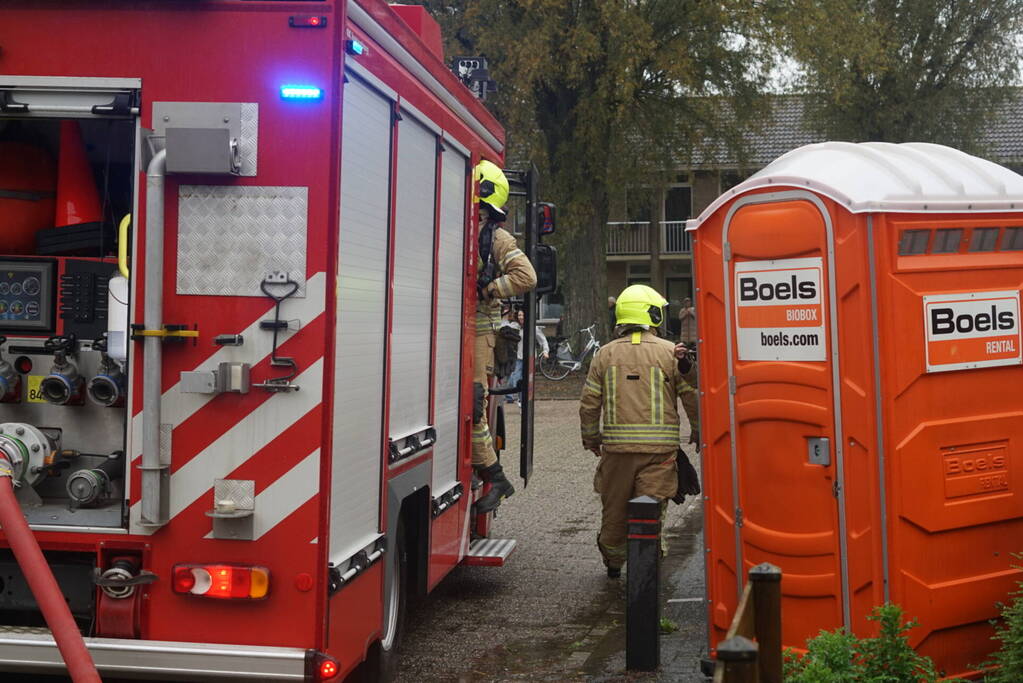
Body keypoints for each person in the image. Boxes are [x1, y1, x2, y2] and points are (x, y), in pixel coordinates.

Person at [579, 284, 699, 578]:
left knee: (615, 514)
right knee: (651, 511)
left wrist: (592, 438)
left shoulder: (604, 355)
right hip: (660, 454)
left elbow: (589, 403)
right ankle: (647, 567)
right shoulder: (671, 353)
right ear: (652, 314)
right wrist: (698, 430)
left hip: (617, 453)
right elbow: (691, 395)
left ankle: (613, 562)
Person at [472, 160, 537, 513]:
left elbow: (527, 277)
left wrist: (491, 289)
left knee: (472, 410)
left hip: (479, 335)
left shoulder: (496, 237)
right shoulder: (455, 227)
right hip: (452, 335)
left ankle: (495, 476)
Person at [501, 308, 549, 406]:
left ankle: (520, 399)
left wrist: (545, 351)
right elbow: (503, 328)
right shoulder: (515, 326)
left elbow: (543, 340)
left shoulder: (533, 328)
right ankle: (517, 397)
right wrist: (504, 316)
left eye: (523, 315)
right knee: (517, 378)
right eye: (519, 315)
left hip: (530, 358)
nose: (521, 317)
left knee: (526, 379)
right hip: (518, 357)